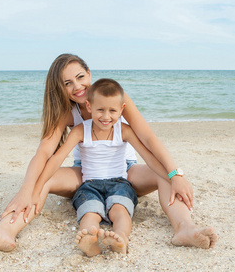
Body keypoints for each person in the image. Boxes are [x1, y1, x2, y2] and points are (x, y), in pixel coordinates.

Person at [0, 53, 217, 252]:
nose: (77, 86)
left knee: (165, 174)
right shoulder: (68, 114)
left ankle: (184, 228)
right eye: (68, 83)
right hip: (86, 172)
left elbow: (148, 137)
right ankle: (5, 232)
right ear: (60, 88)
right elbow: (44, 154)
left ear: (89, 73)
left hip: (126, 169)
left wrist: (175, 174)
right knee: (42, 179)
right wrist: (25, 190)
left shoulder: (112, 98)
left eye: (79, 77)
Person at [32, 78, 170, 256]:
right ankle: (90, 239)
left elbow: (148, 157)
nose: (106, 117)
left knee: (120, 211)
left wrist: (171, 176)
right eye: (100, 110)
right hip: (89, 184)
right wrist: (38, 185)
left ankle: (120, 238)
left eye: (112, 110)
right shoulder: (80, 130)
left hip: (120, 183)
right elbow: (57, 158)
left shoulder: (124, 130)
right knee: (90, 213)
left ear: (121, 110)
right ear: (89, 107)